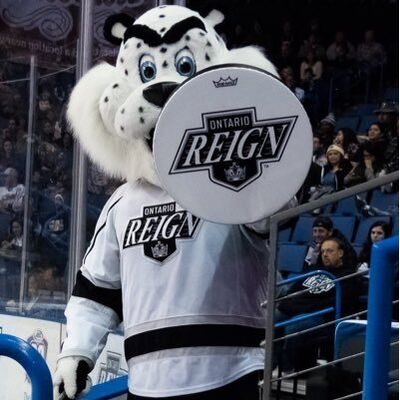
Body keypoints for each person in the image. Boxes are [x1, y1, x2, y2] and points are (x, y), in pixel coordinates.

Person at [276, 237, 358, 372]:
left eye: (330, 251)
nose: (325, 254)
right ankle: (267, 365)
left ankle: (288, 369)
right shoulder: (313, 270)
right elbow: (293, 290)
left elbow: (336, 303)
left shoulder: (347, 276)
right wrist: (288, 304)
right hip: (297, 310)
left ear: (340, 253)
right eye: (323, 251)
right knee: (268, 321)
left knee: (294, 328)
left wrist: (302, 307)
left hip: (322, 317)